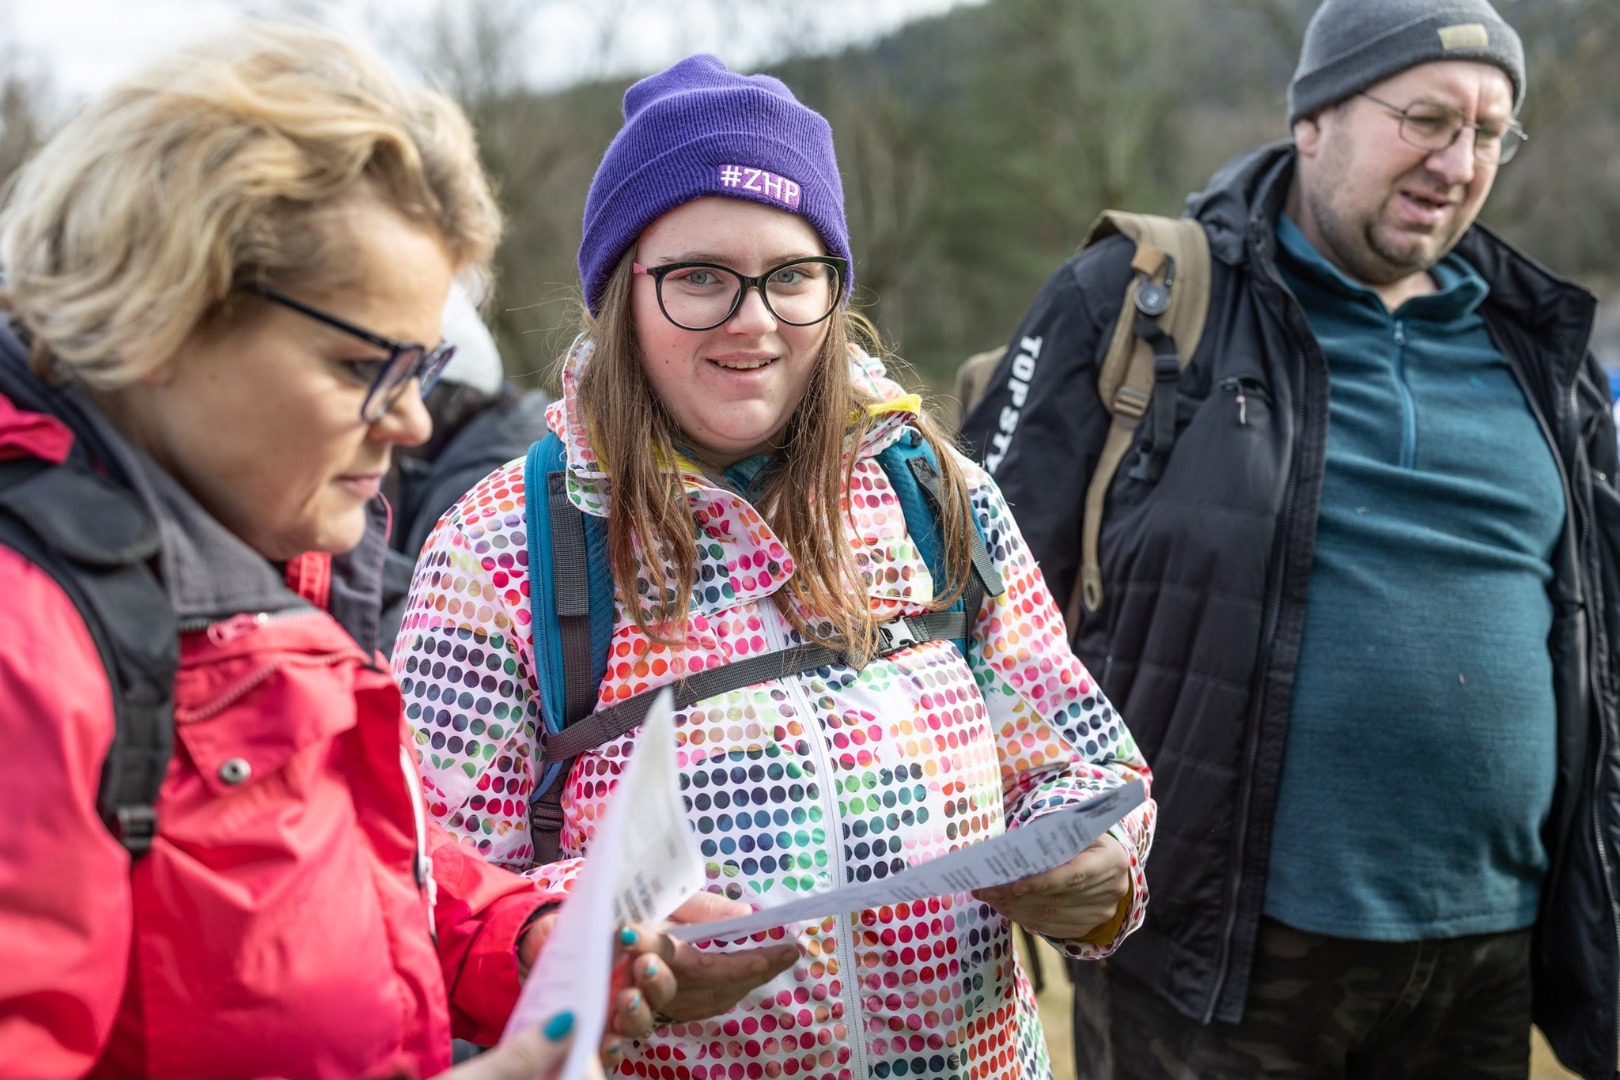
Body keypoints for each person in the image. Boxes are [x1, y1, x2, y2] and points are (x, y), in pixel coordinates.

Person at [394, 54, 1156, 1079]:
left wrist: (1097, 873)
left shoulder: (934, 493)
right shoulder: (501, 551)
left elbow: (1082, 760)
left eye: (792, 276)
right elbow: (427, 897)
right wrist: (596, 945)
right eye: (700, 277)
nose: (752, 319)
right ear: (622, 292)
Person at [960, 1, 1620, 1077]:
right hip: (1208, 957)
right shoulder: (1140, 305)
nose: (1459, 161)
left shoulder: (1543, 354)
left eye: (1490, 132)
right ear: (1313, 117)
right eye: (1426, 117)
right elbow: (971, 601)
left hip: (1484, 961)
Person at [0, 25, 672, 1078]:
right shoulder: (29, 646)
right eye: (369, 364)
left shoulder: (271, 553)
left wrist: (534, 943)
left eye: (430, 366)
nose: (411, 422)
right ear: (164, 318)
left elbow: (345, 863)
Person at [379, 281, 550, 657]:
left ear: (452, 397)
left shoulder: (479, 485)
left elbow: (424, 640)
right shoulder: (495, 443)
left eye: (417, 384)